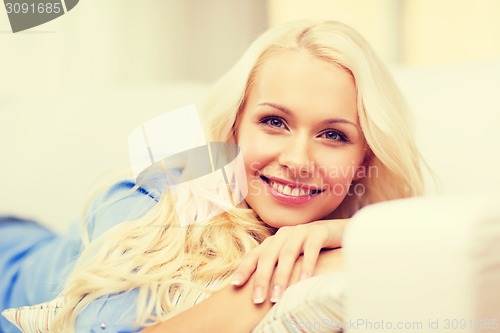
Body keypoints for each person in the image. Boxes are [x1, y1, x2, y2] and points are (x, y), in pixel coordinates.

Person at [0, 20, 425, 333]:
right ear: (234, 124)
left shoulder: (354, 218)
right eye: (274, 122)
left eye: (333, 135)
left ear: (364, 154)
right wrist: (305, 272)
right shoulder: (161, 192)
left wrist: (354, 236)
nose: (298, 160)